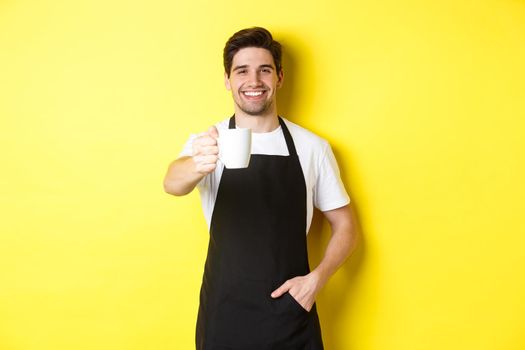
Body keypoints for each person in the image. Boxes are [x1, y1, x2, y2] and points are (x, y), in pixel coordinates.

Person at [164, 26, 358, 350]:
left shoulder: (312, 147)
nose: (254, 81)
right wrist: (198, 162)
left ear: (279, 77)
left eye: (264, 70)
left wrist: (317, 280)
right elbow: (172, 183)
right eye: (242, 71)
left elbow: (346, 225)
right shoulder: (208, 143)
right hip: (223, 316)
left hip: (291, 316)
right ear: (227, 80)